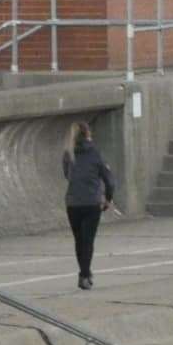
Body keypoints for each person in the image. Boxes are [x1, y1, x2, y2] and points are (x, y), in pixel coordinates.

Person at [63, 121, 115, 290]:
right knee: (88, 240)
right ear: (88, 134)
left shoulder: (68, 154)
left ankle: (84, 273)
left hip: (73, 203)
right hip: (92, 202)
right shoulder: (95, 153)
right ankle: (84, 274)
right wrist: (108, 198)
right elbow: (109, 179)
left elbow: (67, 175)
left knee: (79, 240)